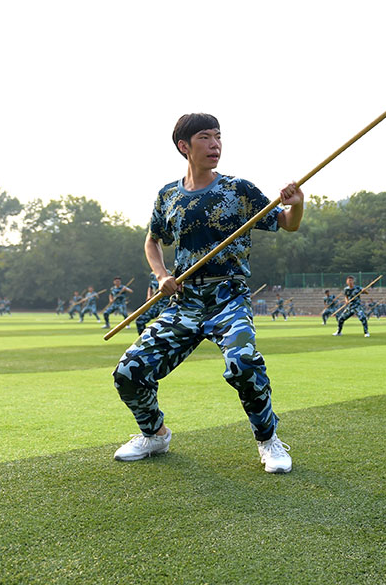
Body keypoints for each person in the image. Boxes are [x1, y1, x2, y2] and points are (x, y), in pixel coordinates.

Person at [110, 112, 302, 473]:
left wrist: (298, 202)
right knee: (128, 372)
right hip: (184, 302)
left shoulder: (238, 190)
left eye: (218, 137)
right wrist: (162, 275)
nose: (215, 145)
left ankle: (269, 441)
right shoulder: (168, 195)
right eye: (205, 138)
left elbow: (287, 224)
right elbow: (152, 241)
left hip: (228, 297)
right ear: (184, 146)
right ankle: (155, 435)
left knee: (243, 364)